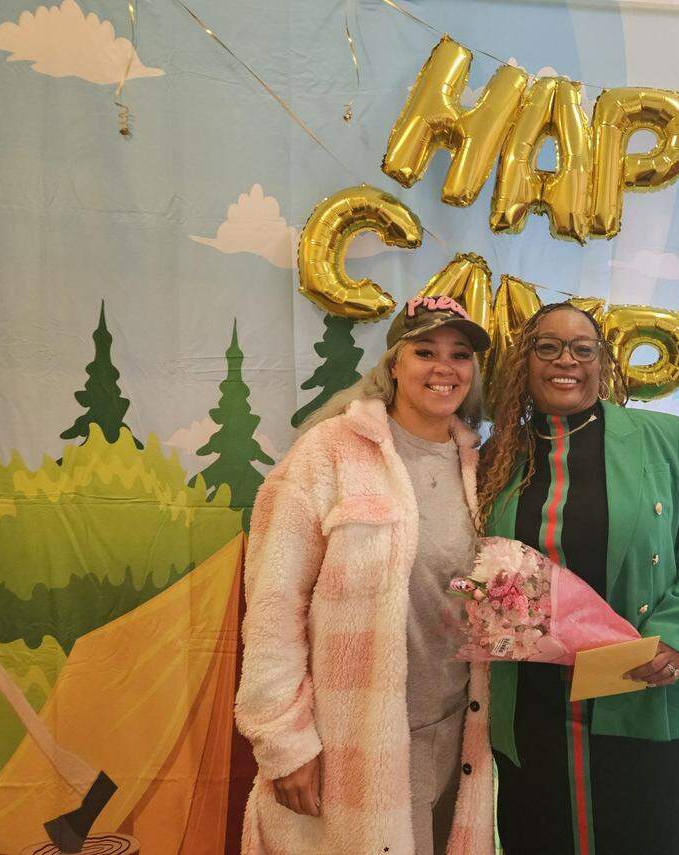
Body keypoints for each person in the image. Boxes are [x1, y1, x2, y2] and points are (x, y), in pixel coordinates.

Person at [235, 296, 497, 855]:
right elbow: (275, 606)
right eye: (425, 351)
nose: (443, 367)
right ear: (394, 364)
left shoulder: (481, 466)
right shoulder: (326, 455)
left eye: (459, 354)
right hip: (350, 741)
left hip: (456, 734)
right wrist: (284, 740)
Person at [477, 302, 679, 855]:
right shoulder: (499, 454)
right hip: (532, 706)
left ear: (602, 362)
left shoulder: (660, 438)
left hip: (642, 684)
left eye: (582, 348)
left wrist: (674, 633)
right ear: (526, 361)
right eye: (548, 346)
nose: (565, 360)